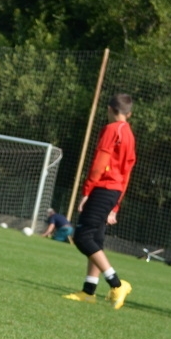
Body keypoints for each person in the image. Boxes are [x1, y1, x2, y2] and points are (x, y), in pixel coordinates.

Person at [63, 95, 136, 309]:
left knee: (83, 237)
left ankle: (117, 283)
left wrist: (87, 190)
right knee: (96, 238)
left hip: (103, 188)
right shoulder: (129, 134)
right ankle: (88, 292)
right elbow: (127, 172)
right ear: (129, 113)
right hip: (114, 191)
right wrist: (116, 205)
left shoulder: (112, 129)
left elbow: (99, 163)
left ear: (110, 109)